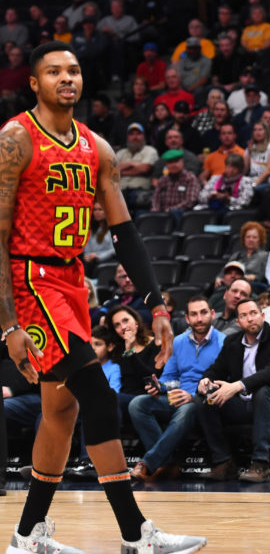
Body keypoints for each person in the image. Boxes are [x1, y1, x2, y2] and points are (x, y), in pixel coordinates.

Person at [0, 41, 205, 552]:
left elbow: (126, 235)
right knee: (95, 393)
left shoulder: (99, 148)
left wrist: (158, 305)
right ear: (35, 83)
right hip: (30, 280)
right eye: (53, 71)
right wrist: (8, 324)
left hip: (70, 282)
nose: (66, 78)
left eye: (73, 70)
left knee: (61, 412)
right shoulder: (15, 139)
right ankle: (136, 533)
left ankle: (28, 534)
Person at [196, 298, 270, 482]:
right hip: (243, 404)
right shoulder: (232, 341)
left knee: (263, 392)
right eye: (244, 316)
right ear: (238, 322)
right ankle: (224, 462)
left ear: (263, 316)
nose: (250, 319)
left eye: (254, 313)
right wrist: (206, 380)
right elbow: (217, 368)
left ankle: (260, 464)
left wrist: (237, 385)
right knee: (205, 401)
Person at [128, 297, 225, 483]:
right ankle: (167, 462)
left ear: (212, 314)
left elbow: (226, 380)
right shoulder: (179, 341)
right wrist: (160, 387)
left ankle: (148, 463)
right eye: (194, 314)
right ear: (187, 319)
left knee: (187, 408)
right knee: (137, 404)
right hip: (176, 397)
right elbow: (169, 377)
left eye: (203, 313)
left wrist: (194, 394)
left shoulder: (223, 342)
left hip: (203, 401)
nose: (199, 318)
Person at [150, 149, 201, 222]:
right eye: (170, 162)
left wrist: (171, 209)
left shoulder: (190, 178)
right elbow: (156, 198)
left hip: (182, 214)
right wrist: (156, 210)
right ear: (166, 165)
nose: (174, 165)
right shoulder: (162, 180)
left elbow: (190, 201)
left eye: (176, 161)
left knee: (175, 213)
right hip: (163, 213)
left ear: (182, 162)